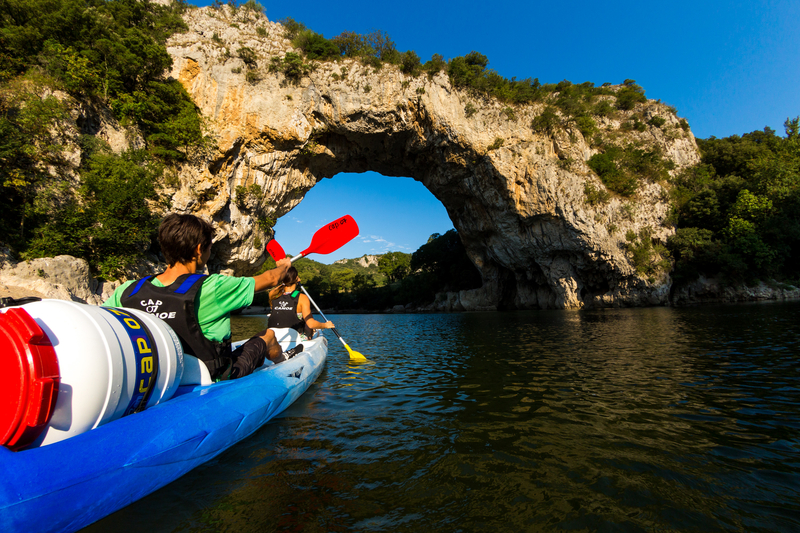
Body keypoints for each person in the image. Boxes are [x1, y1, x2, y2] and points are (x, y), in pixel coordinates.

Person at [103, 213, 292, 380]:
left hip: (158, 378)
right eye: (210, 247)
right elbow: (272, 278)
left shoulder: (128, 290)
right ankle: (284, 362)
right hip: (212, 377)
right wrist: (284, 266)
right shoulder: (213, 287)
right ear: (199, 249)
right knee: (268, 334)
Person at [236, 267, 335, 366]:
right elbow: (311, 323)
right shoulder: (302, 297)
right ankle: (307, 340)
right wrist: (326, 325)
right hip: (296, 336)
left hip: (273, 336)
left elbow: (282, 291)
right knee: (308, 325)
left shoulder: (273, 295)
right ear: (296, 278)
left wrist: (284, 281)